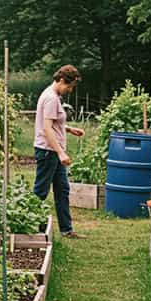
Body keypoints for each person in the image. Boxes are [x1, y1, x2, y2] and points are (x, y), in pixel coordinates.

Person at [33, 64, 85, 238]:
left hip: (53, 151)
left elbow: (53, 123)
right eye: (69, 86)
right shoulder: (51, 98)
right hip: (48, 151)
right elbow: (46, 129)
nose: (70, 90)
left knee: (62, 189)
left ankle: (66, 229)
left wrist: (69, 129)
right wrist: (60, 153)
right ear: (62, 80)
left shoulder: (53, 96)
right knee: (40, 191)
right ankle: (31, 225)